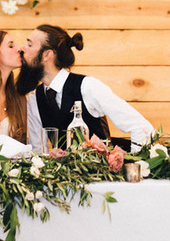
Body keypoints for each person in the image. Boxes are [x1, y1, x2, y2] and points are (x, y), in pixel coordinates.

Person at [17, 24, 154, 152]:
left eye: (29, 44)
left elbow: (142, 127)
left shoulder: (88, 86)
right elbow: (38, 151)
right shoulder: (35, 98)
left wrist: (136, 165)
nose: (21, 49)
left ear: (47, 55)